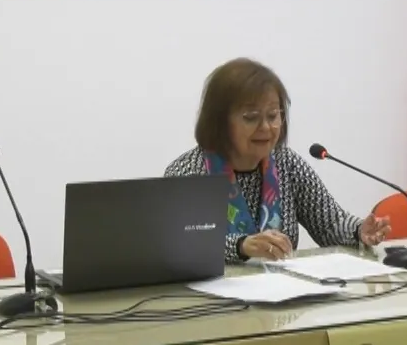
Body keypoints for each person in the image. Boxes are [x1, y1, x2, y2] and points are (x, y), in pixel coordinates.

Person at [166, 58, 390, 262]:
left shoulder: (286, 163)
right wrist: (241, 246)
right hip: (209, 301)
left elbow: (330, 224)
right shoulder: (189, 172)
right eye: (251, 117)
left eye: (273, 115)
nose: (265, 127)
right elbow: (183, 245)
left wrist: (359, 231)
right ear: (220, 122)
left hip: (281, 296)